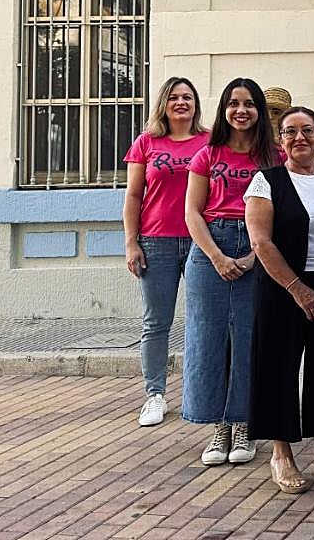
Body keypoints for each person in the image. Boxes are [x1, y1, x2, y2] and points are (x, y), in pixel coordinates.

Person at [245, 106, 314, 494]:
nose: (299, 138)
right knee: (277, 367)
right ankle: (281, 453)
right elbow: (261, 242)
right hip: (281, 288)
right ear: (281, 141)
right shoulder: (266, 181)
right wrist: (298, 289)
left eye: (307, 130)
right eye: (290, 132)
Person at [183, 77, 282, 467]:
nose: (241, 111)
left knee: (248, 339)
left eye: (249, 104)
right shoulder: (207, 155)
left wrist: (257, 255)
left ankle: (243, 423)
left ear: (260, 111)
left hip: (258, 246)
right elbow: (192, 212)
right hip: (211, 247)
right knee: (208, 340)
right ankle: (218, 426)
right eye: (234, 103)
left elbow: (282, 213)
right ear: (224, 109)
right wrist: (217, 257)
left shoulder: (274, 156)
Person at [122, 77, 209, 427]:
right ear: (164, 103)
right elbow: (133, 196)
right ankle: (155, 394)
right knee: (156, 322)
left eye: (187, 97)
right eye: (174, 97)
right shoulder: (147, 142)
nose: (181, 102)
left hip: (202, 240)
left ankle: (202, 392)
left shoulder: (210, 141)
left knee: (206, 320)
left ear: (195, 104)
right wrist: (131, 242)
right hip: (155, 241)